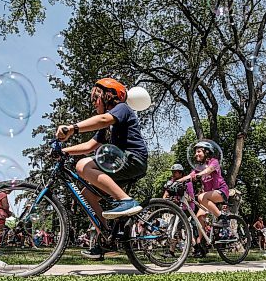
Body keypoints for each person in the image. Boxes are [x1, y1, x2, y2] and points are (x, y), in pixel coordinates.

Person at [55, 78, 148, 259]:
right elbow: (90, 146)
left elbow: (103, 119)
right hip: (119, 163)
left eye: (95, 98)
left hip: (133, 159)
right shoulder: (107, 126)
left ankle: (127, 201)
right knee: (87, 194)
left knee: (83, 165)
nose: (93, 103)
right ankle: (106, 238)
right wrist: (63, 151)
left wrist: (72, 128)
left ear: (108, 96)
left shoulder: (121, 108)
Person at [162, 163, 197, 257]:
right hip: (177, 208)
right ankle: (194, 247)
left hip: (187, 209)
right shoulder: (172, 182)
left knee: (178, 228)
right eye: (172, 172)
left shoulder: (187, 182)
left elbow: (190, 197)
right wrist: (165, 199)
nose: (173, 174)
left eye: (175, 172)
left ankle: (173, 251)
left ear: (181, 173)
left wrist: (179, 199)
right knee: (175, 228)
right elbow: (166, 193)